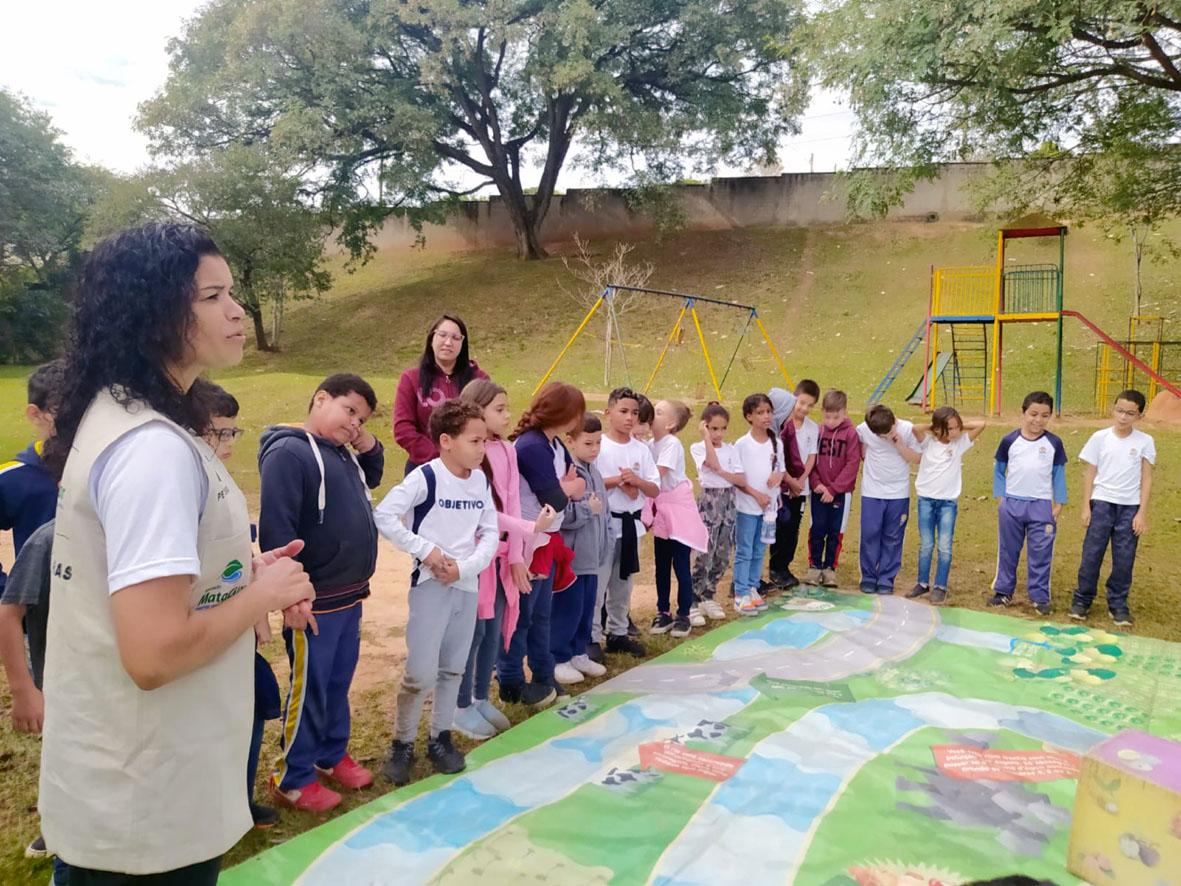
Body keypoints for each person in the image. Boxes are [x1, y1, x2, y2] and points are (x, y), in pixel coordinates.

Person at [39, 221, 314, 883]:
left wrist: (237, 572)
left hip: (133, 785)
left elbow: (144, 573)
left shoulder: (130, 420)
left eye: (233, 292)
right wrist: (262, 596)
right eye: (212, 296)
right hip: (146, 803)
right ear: (154, 313)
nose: (236, 309)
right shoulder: (152, 450)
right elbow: (153, 653)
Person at [260, 373, 384, 813]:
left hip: (349, 596)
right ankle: (292, 776)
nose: (354, 424)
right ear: (319, 399)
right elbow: (277, 532)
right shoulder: (289, 454)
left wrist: (362, 438)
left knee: (336, 682)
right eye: (349, 411)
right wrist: (293, 597)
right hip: (313, 602)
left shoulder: (343, 453)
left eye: (362, 418)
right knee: (309, 686)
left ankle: (331, 754)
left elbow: (376, 469)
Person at [375, 399, 499, 785]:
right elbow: (384, 515)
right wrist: (427, 552)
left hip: (465, 585)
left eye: (485, 441)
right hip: (430, 586)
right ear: (446, 440)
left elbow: (490, 532)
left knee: (453, 668)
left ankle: (440, 738)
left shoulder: (479, 480)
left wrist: (465, 567)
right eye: (475, 441)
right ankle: (403, 743)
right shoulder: (424, 478)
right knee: (420, 672)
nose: (482, 449)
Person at [192, 380, 282, 829]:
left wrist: (257, 583)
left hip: (235, 632)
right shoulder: (180, 486)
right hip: (199, 638)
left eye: (232, 433)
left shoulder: (223, 481)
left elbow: (237, 558)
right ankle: (210, 811)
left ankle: (238, 802)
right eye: (218, 433)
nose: (227, 444)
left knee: (250, 711)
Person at [453, 379, 555, 740]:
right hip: (475, 560)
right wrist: (529, 527)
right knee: (473, 632)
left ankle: (480, 697)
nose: (507, 416)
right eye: (499, 409)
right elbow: (487, 514)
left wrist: (517, 556)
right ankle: (459, 705)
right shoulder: (469, 456)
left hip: (501, 559)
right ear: (475, 412)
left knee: (493, 630)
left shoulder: (508, 450)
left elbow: (510, 502)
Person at [497, 381, 585, 702]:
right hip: (528, 540)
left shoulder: (555, 444)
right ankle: (511, 679)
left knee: (541, 615)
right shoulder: (532, 446)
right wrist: (569, 488)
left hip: (547, 539)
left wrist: (569, 486)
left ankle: (543, 675)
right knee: (521, 616)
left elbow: (577, 482)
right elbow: (555, 499)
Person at [1070, 389, 1155, 626]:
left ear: (1139, 415)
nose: (1123, 417)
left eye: (1130, 413)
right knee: (1091, 554)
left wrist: (1142, 513)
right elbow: (1090, 473)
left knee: (1124, 558)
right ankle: (1082, 600)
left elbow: (1146, 478)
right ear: (1113, 408)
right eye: (1120, 410)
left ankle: (1118, 604)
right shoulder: (1100, 438)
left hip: (1129, 507)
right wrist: (1086, 507)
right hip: (1102, 503)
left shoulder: (1145, 441)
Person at [596, 387, 661, 656]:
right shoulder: (599, 445)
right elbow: (590, 483)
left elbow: (654, 489)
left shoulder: (641, 449)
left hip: (630, 527)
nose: (629, 418)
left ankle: (618, 631)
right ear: (609, 413)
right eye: (623, 411)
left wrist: (636, 481)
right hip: (604, 524)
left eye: (634, 413)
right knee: (599, 583)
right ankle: (590, 636)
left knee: (622, 584)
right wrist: (619, 481)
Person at [990, 391, 1067, 616]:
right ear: (1023, 413)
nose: (1038, 420)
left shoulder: (1054, 443)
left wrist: (1059, 502)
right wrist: (1001, 497)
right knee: (1008, 549)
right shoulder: (1009, 440)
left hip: (1041, 506)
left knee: (1041, 552)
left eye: (1045, 415)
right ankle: (1003, 591)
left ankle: (1039, 596)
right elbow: (999, 469)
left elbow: (1059, 473)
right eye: (1033, 414)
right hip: (1011, 505)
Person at [905, 406, 986, 604]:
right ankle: (922, 583)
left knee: (944, 546)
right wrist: (936, 427)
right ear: (938, 428)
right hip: (926, 500)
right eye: (949, 429)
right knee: (926, 544)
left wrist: (957, 425)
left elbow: (982, 424)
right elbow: (915, 428)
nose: (954, 432)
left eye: (956, 428)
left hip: (948, 503)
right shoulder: (928, 443)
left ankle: (940, 586)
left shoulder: (959, 444)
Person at [552, 413, 611, 684]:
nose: (595, 449)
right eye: (588, 443)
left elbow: (605, 512)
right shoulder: (569, 472)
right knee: (568, 609)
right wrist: (588, 508)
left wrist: (606, 542)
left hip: (593, 557)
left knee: (588, 607)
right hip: (573, 559)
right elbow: (563, 514)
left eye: (598, 443)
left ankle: (579, 652)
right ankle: (559, 658)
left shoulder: (596, 472)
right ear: (570, 441)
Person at [393, 314, 488, 475]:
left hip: (468, 469)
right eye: (442, 335)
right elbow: (403, 428)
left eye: (456, 337)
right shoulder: (411, 378)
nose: (448, 342)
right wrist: (439, 457)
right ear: (431, 338)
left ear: (462, 343)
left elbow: (487, 423)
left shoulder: (479, 379)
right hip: (424, 468)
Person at [1, 361, 61, 600]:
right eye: (63, 410)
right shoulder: (15, 477)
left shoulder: (111, 470)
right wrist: (10, 597)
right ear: (35, 414)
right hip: (40, 621)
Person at [649, 399, 709, 636]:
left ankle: (684, 612)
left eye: (659, 412)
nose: (653, 413)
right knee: (661, 565)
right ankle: (663, 611)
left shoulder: (671, 444)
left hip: (678, 512)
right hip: (661, 511)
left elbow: (655, 474)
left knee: (680, 564)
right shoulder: (650, 443)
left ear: (671, 424)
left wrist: (634, 478)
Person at [856, 405, 921, 595]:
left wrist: (898, 443)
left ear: (894, 421)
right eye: (882, 435)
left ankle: (886, 578)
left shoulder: (907, 429)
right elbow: (859, 447)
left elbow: (917, 458)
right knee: (870, 533)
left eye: (889, 430)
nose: (887, 436)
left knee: (893, 537)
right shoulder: (864, 429)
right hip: (872, 491)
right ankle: (868, 576)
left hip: (898, 492)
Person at [689, 402, 744, 620]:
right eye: (713, 428)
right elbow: (711, 463)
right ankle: (692, 598)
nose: (718, 434)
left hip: (729, 499)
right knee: (704, 551)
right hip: (710, 499)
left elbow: (740, 478)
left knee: (722, 552)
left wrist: (723, 472)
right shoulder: (698, 447)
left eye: (722, 429)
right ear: (705, 427)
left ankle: (709, 594)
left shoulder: (732, 449)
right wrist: (705, 437)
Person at [732, 393, 785, 614]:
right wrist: (756, 495)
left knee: (759, 548)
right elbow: (738, 479)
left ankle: (753, 586)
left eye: (769, 412)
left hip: (768, 509)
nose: (766, 417)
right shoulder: (742, 445)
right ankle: (740, 592)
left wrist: (778, 477)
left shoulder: (776, 442)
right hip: (747, 507)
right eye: (760, 413)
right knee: (744, 549)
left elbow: (781, 469)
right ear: (749, 417)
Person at [769, 380, 820, 589]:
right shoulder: (781, 427)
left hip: (800, 488)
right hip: (782, 487)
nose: (804, 409)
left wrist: (800, 481)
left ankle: (784, 567)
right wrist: (789, 481)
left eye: (810, 405)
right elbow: (781, 458)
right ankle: (774, 567)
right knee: (780, 526)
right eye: (801, 403)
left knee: (793, 529)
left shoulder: (812, 427)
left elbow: (811, 457)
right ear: (793, 399)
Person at [808, 389, 861, 588]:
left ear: (845, 412)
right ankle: (814, 565)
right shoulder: (818, 431)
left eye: (835, 417)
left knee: (835, 531)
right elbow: (811, 460)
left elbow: (852, 463)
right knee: (817, 528)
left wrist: (834, 489)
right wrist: (816, 484)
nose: (831, 421)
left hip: (840, 495)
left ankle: (830, 567)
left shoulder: (850, 433)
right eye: (827, 416)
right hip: (819, 492)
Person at [767, 386, 806, 592]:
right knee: (772, 532)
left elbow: (792, 460)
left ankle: (781, 569)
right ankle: (772, 571)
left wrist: (795, 481)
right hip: (772, 494)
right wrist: (790, 482)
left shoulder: (784, 431)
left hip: (788, 491)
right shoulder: (769, 437)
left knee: (788, 529)